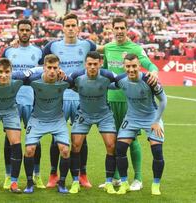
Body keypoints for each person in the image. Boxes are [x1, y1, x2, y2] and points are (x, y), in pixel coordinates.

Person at [100, 17, 159, 191]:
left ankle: (138, 179)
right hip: (111, 100)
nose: (119, 31)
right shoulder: (109, 48)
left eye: (122, 28)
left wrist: (154, 71)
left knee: (131, 139)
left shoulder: (135, 48)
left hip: (130, 103)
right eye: (116, 28)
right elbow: (105, 72)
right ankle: (117, 178)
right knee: (113, 140)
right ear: (112, 29)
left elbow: (149, 64)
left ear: (127, 29)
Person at [43, 13, 97, 188]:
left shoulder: (88, 45)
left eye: (74, 25)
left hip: (81, 98)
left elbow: (99, 56)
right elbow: (41, 66)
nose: (71, 28)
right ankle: (53, 173)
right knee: (55, 136)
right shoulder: (53, 46)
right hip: (59, 98)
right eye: (68, 25)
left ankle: (82, 174)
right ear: (63, 28)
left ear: (78, 27)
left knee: (82, 138)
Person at [113, 54, 167, 195]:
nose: (131, 69)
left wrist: (156, 121)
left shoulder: (150, 80)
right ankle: (124, 183)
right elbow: (106, 83)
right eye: (128, 66)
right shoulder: (120, 80)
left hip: (151, 118)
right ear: (124, 67)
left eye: (134, 66)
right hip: (131, 118)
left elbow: (163, 100)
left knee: (157, 151)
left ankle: (156, 185)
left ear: (139, 66)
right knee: (120, 148)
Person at [1, 19, 45, 189]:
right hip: (12, 101)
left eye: (27, 29)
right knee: (9, 139)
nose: (25, 32)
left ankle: (37, 174)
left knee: (35, 138)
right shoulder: (9, 51)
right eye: (22, 30)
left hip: (32, 100)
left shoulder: (38, 52)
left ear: (31, 31)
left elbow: (43, 75)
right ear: (17, 31)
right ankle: (8, 175)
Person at [68, 51, 117, 194]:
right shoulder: (77, 76)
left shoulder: (107, 75)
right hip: (84, 114)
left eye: (95, 64)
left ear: (100, 64)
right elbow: (66, 83)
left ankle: (109, 182)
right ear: (85, 64)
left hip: (104, 115)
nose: (92, 67)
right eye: (90, 64)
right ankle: (75, 182)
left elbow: (122, 81)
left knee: (111, 145)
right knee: (76, 145)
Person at [23, 54, 71, 194]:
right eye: (49, 67)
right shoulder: (34, 80)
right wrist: (32, 70)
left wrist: (66, 76)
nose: (51, 71)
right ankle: (29, 183)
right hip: (37, 119)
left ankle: (61, 183)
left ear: (59, 69)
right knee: (30, 149)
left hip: (57, 119)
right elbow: (19, 76)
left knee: (65, 150)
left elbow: (75, 81)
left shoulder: (64, 81)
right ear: (43, 68)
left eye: (54, 68)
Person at [0, 58, 30, 193]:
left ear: (11, 72)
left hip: (10, 111)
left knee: (16, 143)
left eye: (7, 72)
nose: (4, 75)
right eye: (0, 72)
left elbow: (37, 71)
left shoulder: (19, 79)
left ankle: (13, 182)